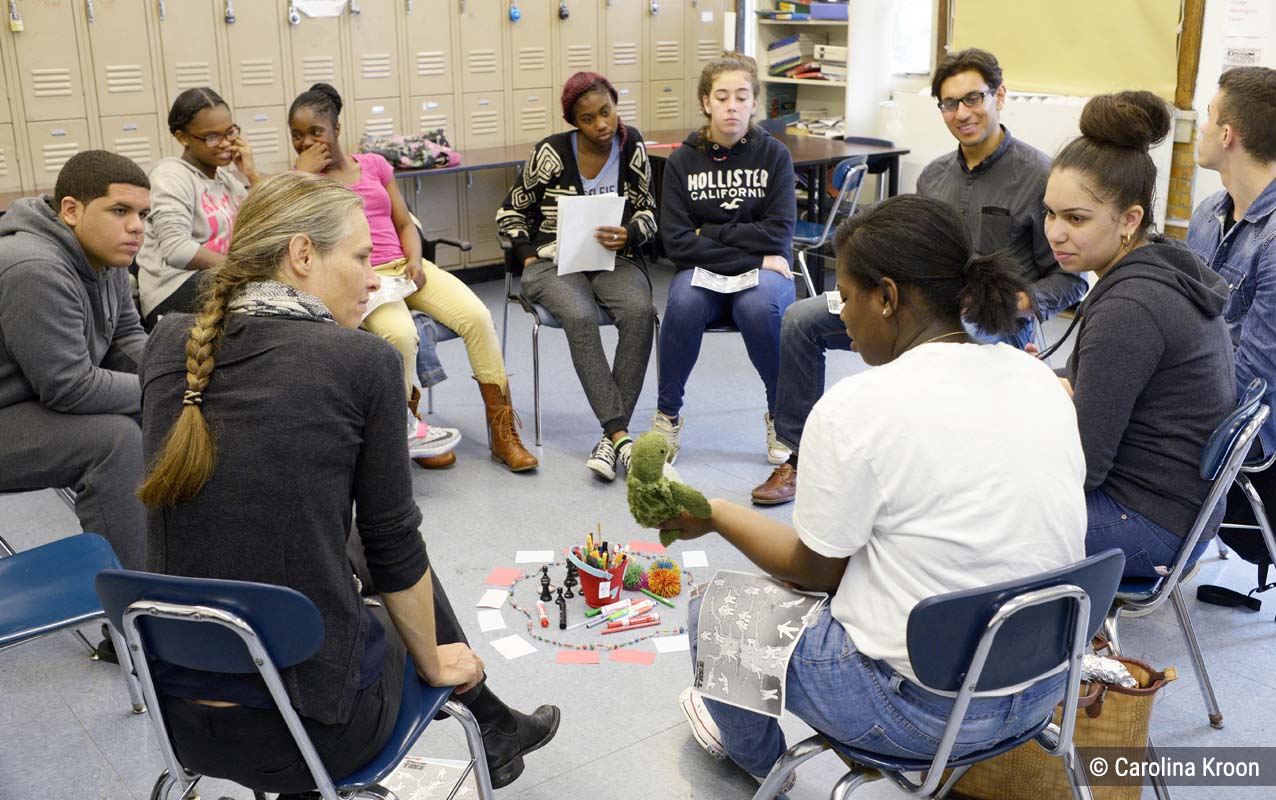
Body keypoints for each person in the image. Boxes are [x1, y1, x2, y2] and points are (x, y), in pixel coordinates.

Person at [136, 172, 559, 795]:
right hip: (316, 732)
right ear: (302, 254)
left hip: (182, 722)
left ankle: (495, 723)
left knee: (352, 538)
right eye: (361, 257)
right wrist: (436, 659)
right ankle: (484, 713)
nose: (373, 277)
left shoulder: (169, 342)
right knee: (393, 577)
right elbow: (395, 551)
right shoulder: (361, 361)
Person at [664, 194, 1086, 787]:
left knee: (716, 609)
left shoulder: (857, 407)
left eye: (845, 297)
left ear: (887, 298)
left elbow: (814, 572)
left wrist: (716, 513)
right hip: (1043, 686)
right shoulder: (1039, 378)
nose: (840, 315)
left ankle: (759, 767)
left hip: (920, 715)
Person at [751, 47, 1088, 506]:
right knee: (801, 318)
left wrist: (1021, 302)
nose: (962, 113)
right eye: (950, 104)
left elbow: (1072, 280)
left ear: (1000, 96)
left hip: (991, 323)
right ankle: (796, 455)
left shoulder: (1039, 176)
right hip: (921, 313)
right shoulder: (933, 177)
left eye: (973, 99)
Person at [291, 83, 533, 471]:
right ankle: (409, 429)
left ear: (336, 128)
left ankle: (503, 433)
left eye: (314, 132)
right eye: (297, 136)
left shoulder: (373, 165)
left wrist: (416, 260)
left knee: (477, 317)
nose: (305, 143)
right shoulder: (301, 181)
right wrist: (303, 178)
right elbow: (298, 239)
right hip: (359, 277)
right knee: (401, 336)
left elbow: (404, 222)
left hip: (405, 267)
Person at [1045, 91, 1235, 577]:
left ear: (1129, 220)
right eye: (1050, 213)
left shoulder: (1130, 307)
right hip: (1179, 509)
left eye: (1076, 218)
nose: (1055, 233)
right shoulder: (1161, 261)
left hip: (1149, 523)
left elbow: (1084, 469)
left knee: (963, 513)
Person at [496, 71, 658, 480]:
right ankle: (620, 434)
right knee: (581, 316)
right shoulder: (550, 153)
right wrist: (527, 257)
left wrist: (630, 233)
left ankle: (609, 441)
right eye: (589, 119)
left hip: (611, 258)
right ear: (574, 122)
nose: (602, 124)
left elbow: (648, 212)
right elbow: (510, 212)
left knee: (640, 311)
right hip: (552, 262)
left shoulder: (632, 145)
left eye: (606, 112)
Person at [0, 150, 150, 574]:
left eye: (142, 213)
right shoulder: (33, 268)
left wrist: (176, 374)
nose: (136, 226)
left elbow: (126, 337)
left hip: (30, 403)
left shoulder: (107, 254)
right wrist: (167, 384)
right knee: (115, 440)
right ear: (71, 210)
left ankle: (172, 562)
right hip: (14, 410)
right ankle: (138, 615)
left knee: (171, 411)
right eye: (120, 210)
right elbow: (70, 387)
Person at [654, 51, 797, 466]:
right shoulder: (683, 160)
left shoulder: (774, 157)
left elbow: (779, 233)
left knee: (757, 307)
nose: (731, 106)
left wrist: (711, 233)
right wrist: (752, 256)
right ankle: (667, 416)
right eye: (721, 97)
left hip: (761, 276)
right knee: (681, 302)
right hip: (714, 272)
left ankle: (782, 416)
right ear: (705, 102)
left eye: (741, 96)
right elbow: (677, 244)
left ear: (755, 102)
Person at [1188, 67, 1276, 536]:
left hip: (1250, 427)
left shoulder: (1274, 241)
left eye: (1207, 118)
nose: (1201, 129)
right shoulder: (1208, 213)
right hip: (1203, 390)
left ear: (1227, 134)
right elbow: (1183, 322)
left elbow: (1255, 381)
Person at [137, 87, 260, 328]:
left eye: (230, 132)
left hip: (219, 280)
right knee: (266, 299)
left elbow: (269, 221)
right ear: (183, 137)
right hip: (173, 290)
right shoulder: (171, 176)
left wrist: (251, 174)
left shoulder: (227, 181)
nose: (225, 143)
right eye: (212, 137)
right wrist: (243, 270)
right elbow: (178, 250)